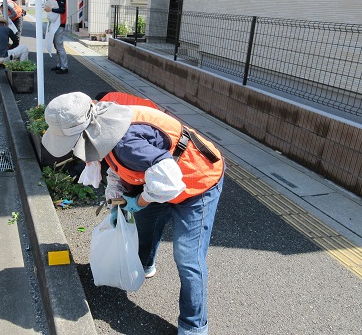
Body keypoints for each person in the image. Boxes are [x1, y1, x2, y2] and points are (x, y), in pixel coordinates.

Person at [41, 92, 225, 335]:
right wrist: (116, 193)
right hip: (160, 177)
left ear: (82, 133)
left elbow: (166, 183)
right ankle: (144, 265)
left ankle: (194, 326)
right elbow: (118, 166)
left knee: (187, 258)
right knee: (144, 227)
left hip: (198, 181)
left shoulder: (127, 143)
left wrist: (138, 200)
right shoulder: (104, 125)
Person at [42, 0, 68, 74]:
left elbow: (62, 10)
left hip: (59, 24)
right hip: (56, 24)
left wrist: (50, 9)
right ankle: (60, 65)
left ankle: (64, 67)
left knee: (59, 46)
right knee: (57, 45)